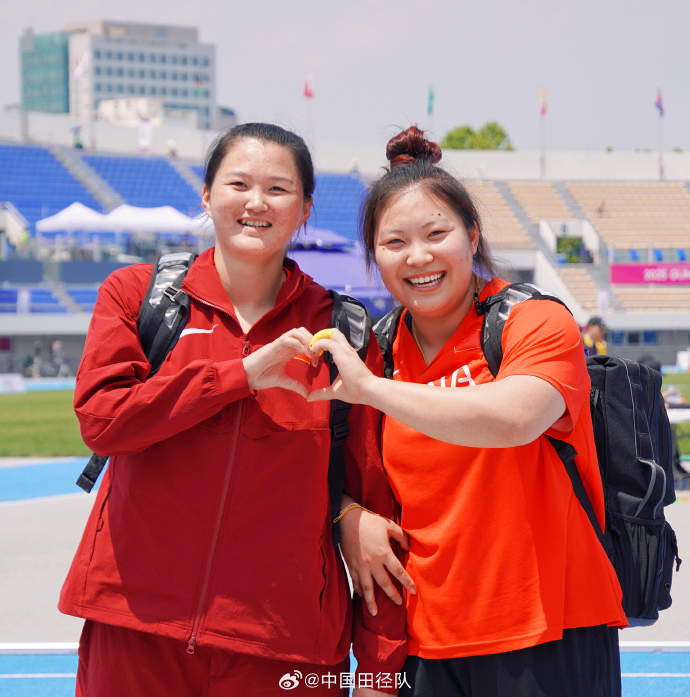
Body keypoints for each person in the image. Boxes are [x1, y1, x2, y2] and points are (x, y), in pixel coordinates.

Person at [59, 123, 406, 696]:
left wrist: (379, 674)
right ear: (206, 195)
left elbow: (375, 507)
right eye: (239, 184)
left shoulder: (342, 331)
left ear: (305, 209)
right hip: (136, 631)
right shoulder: (138, 295)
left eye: (278, 189)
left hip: (285, 647)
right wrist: (237, 376)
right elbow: (103, 421)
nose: (256, 202)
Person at [309, 127, 627, 697]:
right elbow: (332, 474)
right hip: (425, 640)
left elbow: (516, 418)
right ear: (374, 255)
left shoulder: (531, 320)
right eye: (394, 242)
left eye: (437, 234)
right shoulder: (378, 350)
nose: (419, 257)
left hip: (549, 629)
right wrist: (346, 515)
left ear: (472, 234)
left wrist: (373, 390)